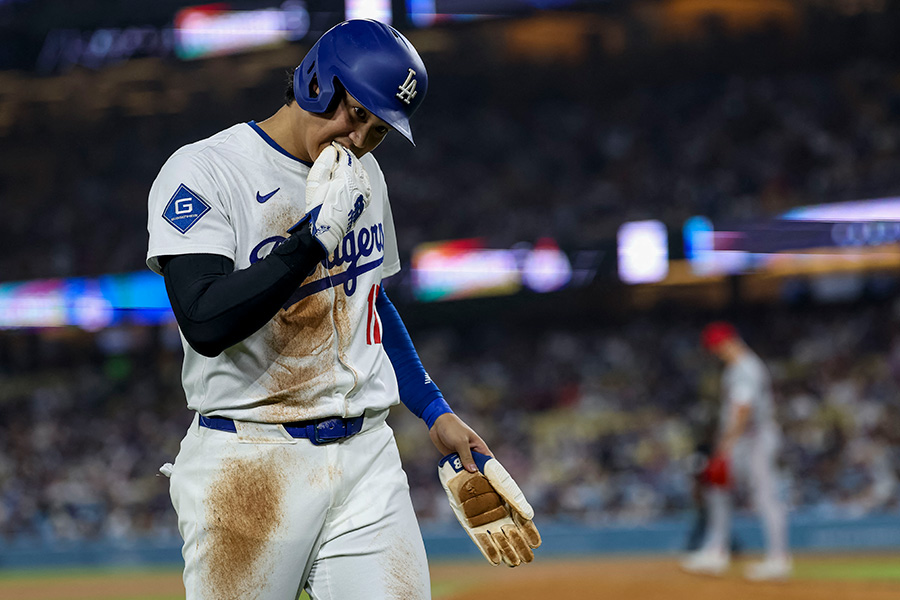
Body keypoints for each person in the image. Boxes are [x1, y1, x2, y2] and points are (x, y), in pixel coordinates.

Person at [146, 19, 538, 600]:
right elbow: (204, 321)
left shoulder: (363, 178)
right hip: (250, 459)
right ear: (314, 82)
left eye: (379, 130)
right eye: (356, 115)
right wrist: (311, 240)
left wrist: (435, 410)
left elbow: (368, 303)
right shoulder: (206, 171)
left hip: (365, 458)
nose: (359, 139)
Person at [680, 322, 791, 581]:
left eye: (716, 346)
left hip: (754, 439)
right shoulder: (738, 367)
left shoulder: (745, 368)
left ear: (728, 342)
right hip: (745, 440)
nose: (715, 352)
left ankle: (778, 559)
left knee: (765, 496)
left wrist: (725, 445)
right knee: (717, 489)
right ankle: (716, 552)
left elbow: (742, 410)